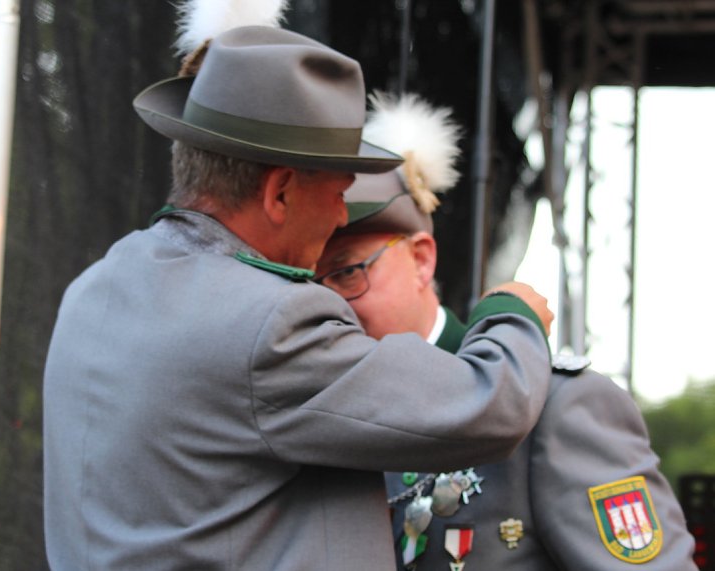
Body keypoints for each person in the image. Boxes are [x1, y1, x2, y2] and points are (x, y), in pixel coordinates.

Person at [43, 25, 557, 570]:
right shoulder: (270, 320)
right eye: (337, 194)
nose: (340, 215)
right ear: (280, 192)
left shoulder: (94, 289)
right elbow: (490, 406)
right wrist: (512, 313)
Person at [315, 92, 697, 570]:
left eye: (348, 271)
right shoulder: (325, 414)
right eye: (307, 280)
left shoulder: (554, 406)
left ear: (421, 259)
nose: (327, 302)